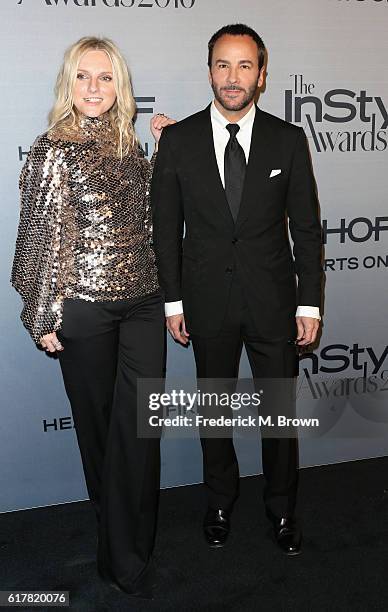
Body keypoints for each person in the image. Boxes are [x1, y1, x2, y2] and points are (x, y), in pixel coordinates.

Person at [11, 36, 174, 597]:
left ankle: (128, 546)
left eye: (105, 77)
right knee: (102, 430)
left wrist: (166, 151)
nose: (95, 87)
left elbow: (149, 219)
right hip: (84, 310)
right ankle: (119, 542)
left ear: (120, 85)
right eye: (84, 76)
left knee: (140, 426)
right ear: (69, 84)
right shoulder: (52, 148)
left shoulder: (131, 146)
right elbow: (36, 240)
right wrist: (41, 314)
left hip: (144, 304)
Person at [151, 24, 323, 556]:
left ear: (262, 75)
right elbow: (165, 229)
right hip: (206, 302)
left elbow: (308, 230)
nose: (232, 77)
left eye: (244, 66)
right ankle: (219, 501)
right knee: (215, 413)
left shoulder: (288, 139)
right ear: (209, 72)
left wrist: (309, 302)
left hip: (274, 304)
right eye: (223, 65)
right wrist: (174, 301)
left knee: (278, 417)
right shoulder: (177, 142)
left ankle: (282, 507)